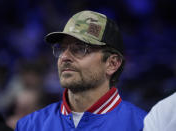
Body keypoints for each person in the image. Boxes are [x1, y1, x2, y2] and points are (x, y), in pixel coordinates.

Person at [15, 10, 146, 131]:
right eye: (61, 48)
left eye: (80, 49)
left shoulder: (143, 126)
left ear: (112, 63)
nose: (64, 57)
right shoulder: (30, 126)